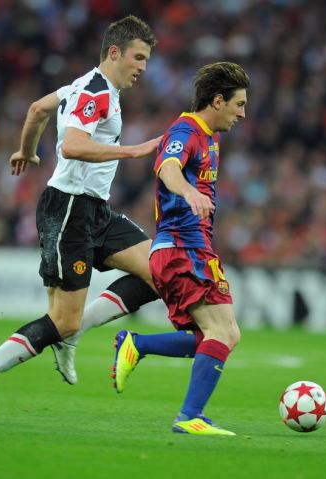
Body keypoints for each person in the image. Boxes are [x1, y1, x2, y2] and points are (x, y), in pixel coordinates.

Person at [0, 15, 161, 423]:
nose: (143, 67)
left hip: (95, 210)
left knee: (160, 272)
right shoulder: (95, 91)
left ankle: (71, 335)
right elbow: (73, 145)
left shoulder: (84, 87)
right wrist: (132, 151)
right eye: (138, 57)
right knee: (62, 320)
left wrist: (27, 150)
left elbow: (37, 109)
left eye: (146, 60)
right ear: (114, 52)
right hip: (68, 211)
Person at [112, 62, 249, 436]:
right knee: (222, 331)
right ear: (217, 101)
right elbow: (168, 167)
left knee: (217, 336)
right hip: (182, 248)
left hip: (190, 247)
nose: (242, 113)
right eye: (238, 104)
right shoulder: (186, 130)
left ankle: (137, 344)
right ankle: (189, 416)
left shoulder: (211, 138)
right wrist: (189, 192)